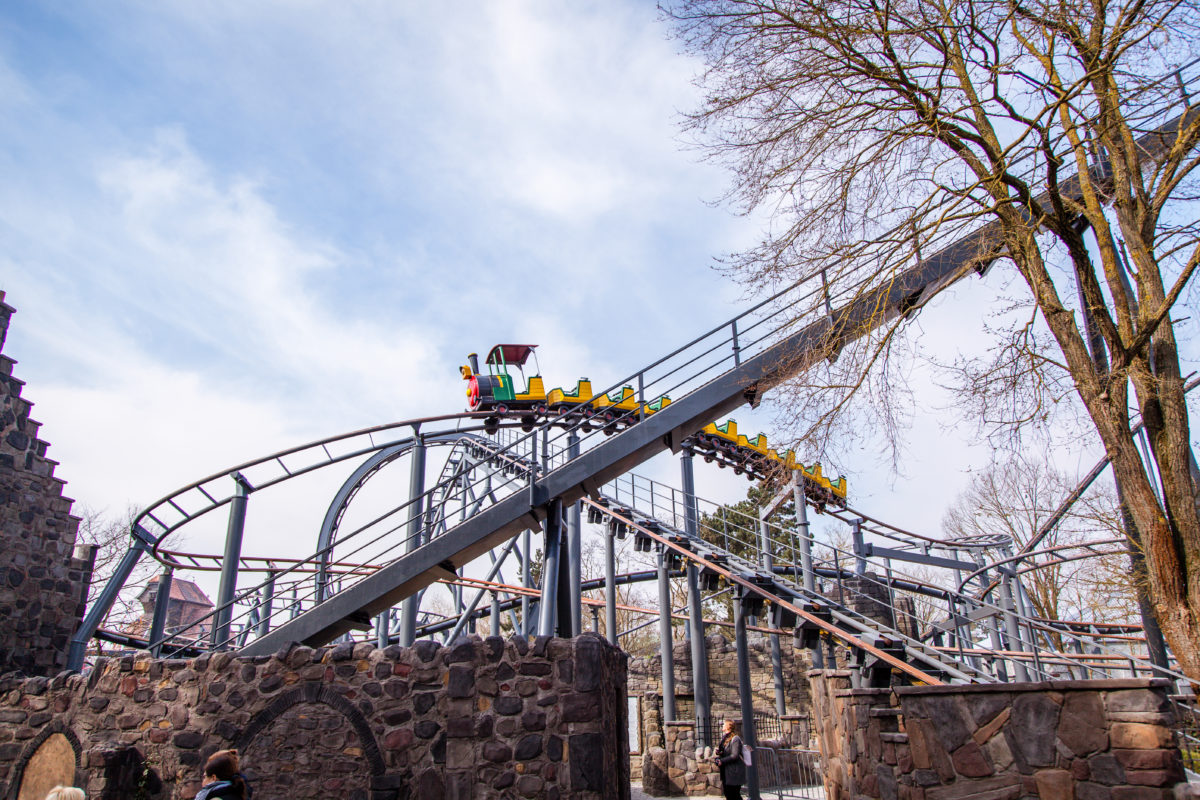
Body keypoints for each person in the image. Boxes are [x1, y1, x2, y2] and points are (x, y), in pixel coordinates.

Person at [713, 719, 746, 800]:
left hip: (733, 771)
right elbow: (726, 751)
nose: (722, 725)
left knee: (734, 794)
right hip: (725, 771)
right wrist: (720, 753)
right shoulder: (724, 738)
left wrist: (722, 761)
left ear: (728, 726)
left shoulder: (735, 739)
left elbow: (735, 755)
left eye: (724, 724)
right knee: (728, 794)